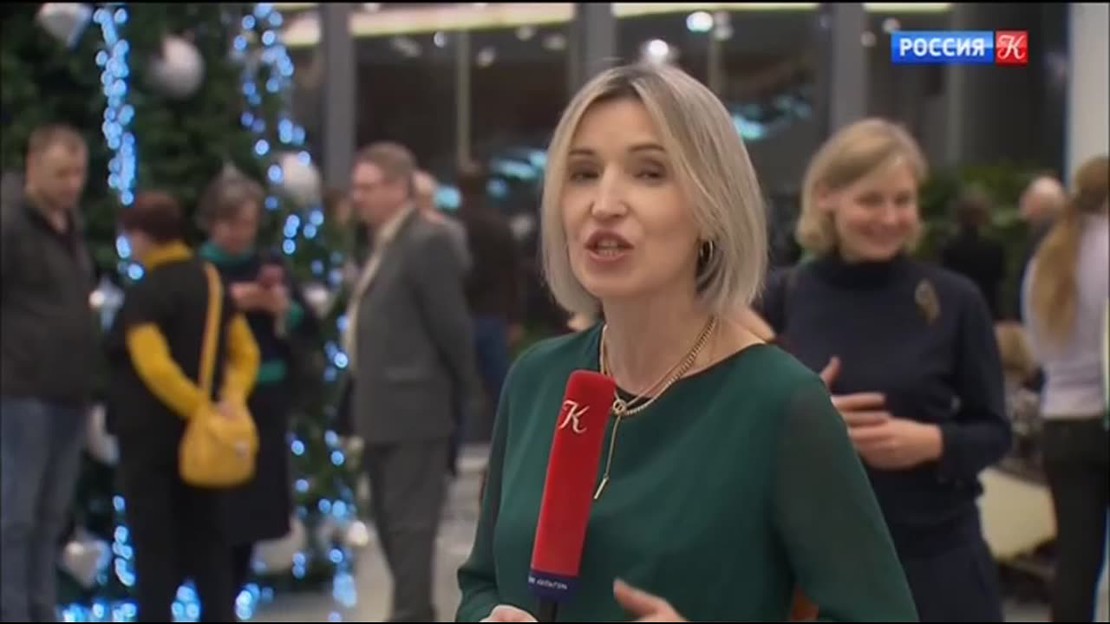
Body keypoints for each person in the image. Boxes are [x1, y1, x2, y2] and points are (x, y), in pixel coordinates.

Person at [456, 63, 916, 623]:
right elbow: (482, 582)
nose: (604, 203)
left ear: (712, 207)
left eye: (649, 173)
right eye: (583, 173)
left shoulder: (778, 403)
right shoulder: (536, 380)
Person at [756, 118, 1011, 622]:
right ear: (826, 197)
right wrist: (810, 418)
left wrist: (933, 442)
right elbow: (735, 426)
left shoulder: (954, 301)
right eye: (871, 200)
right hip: (820, 571)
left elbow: (994, 431)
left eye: (903, 200)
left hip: (939, 566)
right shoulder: (780, 299)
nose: (890, 218)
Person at [105, 191, 260, 621]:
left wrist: (196, 407)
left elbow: (154, 366)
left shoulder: (145, 295)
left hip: (150, 441)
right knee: (209, 540)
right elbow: (245, 352)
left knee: (154, 548)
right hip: (204, 443)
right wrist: (227, 403)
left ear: (141, 236)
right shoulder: (212, 282)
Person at [345, 142, 481, 622]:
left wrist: (466, 392)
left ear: (398, 187)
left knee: (410, 529)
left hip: (415, 409)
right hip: (381, 410)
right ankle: (415, 612)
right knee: (391, 527)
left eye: (367, 187)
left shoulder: (426, 243)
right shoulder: (383, 243)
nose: (357, 197)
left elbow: (450, 326)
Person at [196, 172, 320, 595]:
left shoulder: (270, 266)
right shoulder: (200, 270)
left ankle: (236, 589)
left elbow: (307, 324)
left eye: (248, 224)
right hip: (216, 403)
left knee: (255, 510)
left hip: (268, 399)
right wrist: (228, 304)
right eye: (231, 224)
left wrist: (281, 308)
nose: (241, 234)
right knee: (219, 511)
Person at [1, 124, 99, 622]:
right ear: (33, 166)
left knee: (49, 516)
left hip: (69, 389)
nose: (71, 184)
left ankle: (42, 608)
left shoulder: (71, 224)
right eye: (61, 173)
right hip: (21, 389)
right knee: (15, 516)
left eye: (78, 173)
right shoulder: (9, 223)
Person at [1021, 154, 1109, 622]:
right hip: (1103, 412)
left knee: (1076, 562)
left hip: (1061, 420)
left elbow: (1037, 346)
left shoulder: (1047, 259)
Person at [940, 189, 1007, 319]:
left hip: (957, 311)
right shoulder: (994, 248)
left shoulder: (949, 247)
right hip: (989, 310)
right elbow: (999, 281)